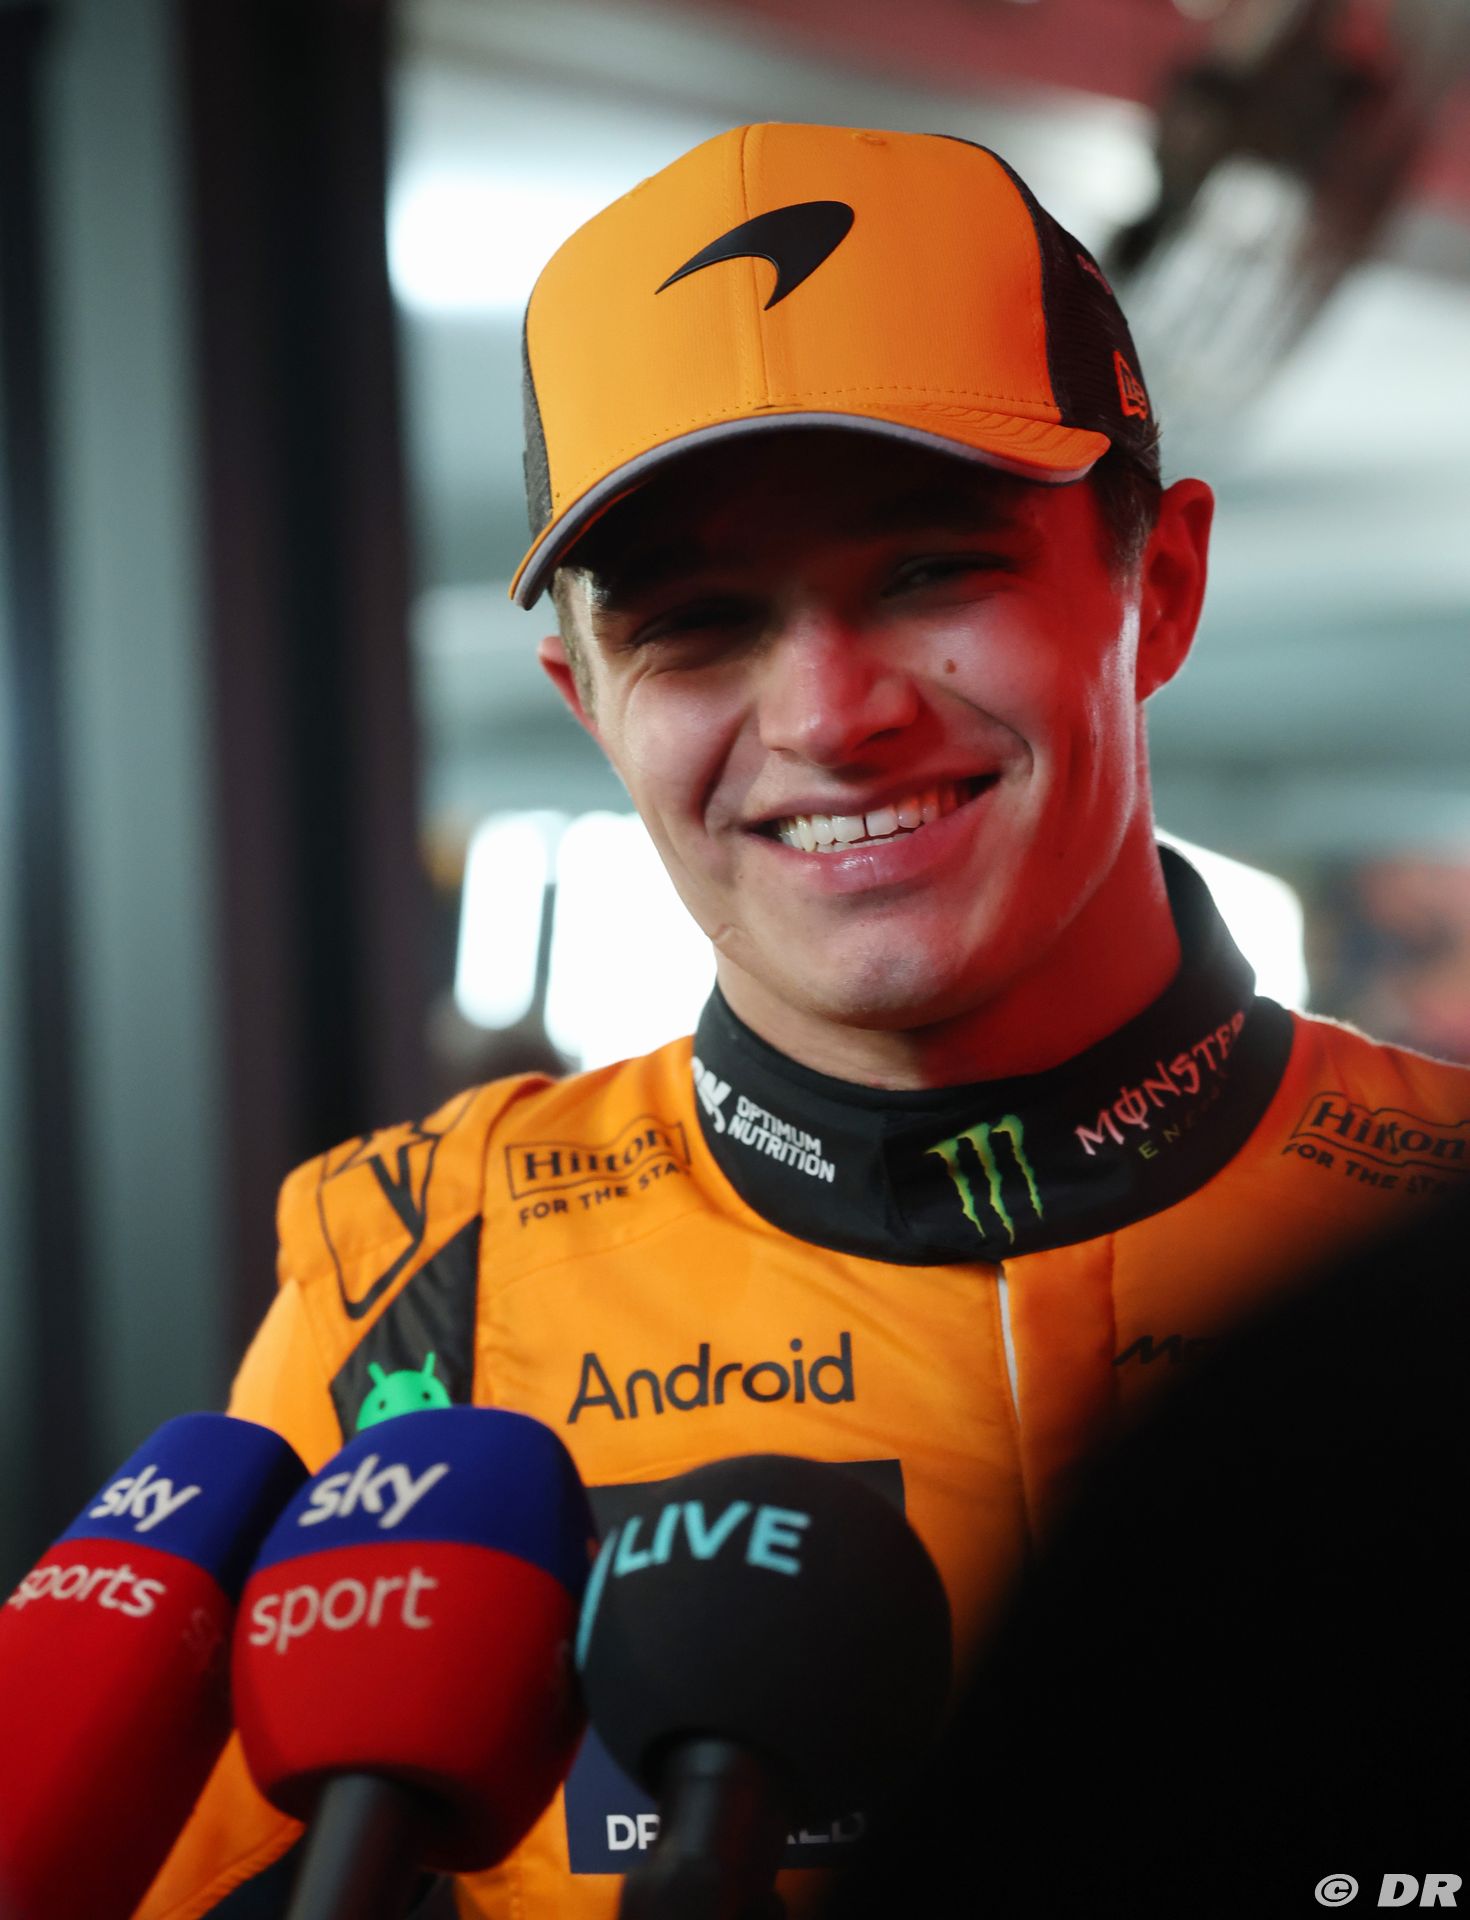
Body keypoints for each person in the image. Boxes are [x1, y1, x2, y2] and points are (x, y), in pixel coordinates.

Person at [139, 122, 1470, 1919]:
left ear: (1155, 587)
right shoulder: (416, 1280)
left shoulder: (1431, 1228)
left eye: (929, 572)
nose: (829, 717)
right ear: (587, 700)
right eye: (696, 623)